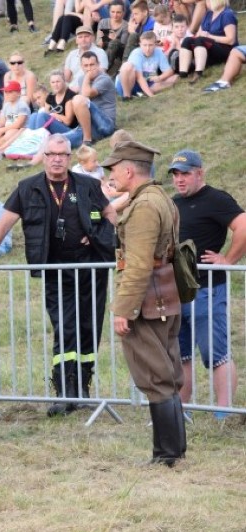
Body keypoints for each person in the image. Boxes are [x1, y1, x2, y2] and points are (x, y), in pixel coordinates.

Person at [0, 134, 117, 416]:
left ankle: (82, 389)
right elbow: (4, 225)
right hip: (54, 271)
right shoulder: (29, 188)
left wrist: (98, 235)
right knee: (65, 327)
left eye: (62, 154)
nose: (57, 159)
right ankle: (63, 392)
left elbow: (111, 215)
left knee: (89, 327)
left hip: (90, 270)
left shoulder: (87, 185)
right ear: (44, 156)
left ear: (70, 157)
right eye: (51, 154)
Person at [105, 139, 186, 466]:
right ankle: (173, 451)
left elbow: (138, 264)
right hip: (163, 296)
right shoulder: (159, 198)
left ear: (128, 170)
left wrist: (123, 310)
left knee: (156, 377)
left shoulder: (144, 207)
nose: (111, 175)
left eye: (113, 169)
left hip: (147, 300)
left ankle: (166, 455)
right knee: (166, 373)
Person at [169, 150, 246, 419]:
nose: (179, 179)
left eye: (185, 173)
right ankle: (181, 410)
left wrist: (229, 259)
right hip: (178, 290)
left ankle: (223, 413)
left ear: (200, 173)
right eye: (176, 174)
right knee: (181, 354)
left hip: (208, 289)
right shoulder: (173, 203)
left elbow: (243, 225)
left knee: (216, 352)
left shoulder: (216, 199)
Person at [178, 0, 238, 84]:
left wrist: (209, 36)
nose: (206, 3)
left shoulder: (227, 14)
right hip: (209, 46)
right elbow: (199, 33)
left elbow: (231, 40)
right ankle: (183, 73)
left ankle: (198, 73)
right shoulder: (208, 14)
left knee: (200, 40)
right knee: (187, 40)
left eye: (208, 1)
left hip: (226, 49)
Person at [70, 52, 118, 147]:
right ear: (81, 66)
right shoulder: (81, 79)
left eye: (92, 65)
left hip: (106, 125)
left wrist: (87, 77)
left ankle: (87, 140)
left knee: (78, 99)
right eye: (86, 66)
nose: (89, 69)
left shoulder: (104, 79)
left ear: (98, 64)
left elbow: (86, 94)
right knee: (58, 140)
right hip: (89, 126)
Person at [117, 31, 178, 99]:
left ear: (155, 44)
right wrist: (152, 96)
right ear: (140, 44)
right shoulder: (136, 53)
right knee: (127, 66)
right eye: (145, 45)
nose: (147, 48)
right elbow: (139, 78)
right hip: (131, 82)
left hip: (148, 80)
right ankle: (127, 96)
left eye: (150, 45)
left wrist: (160, 77)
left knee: (174, 77)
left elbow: (169, 71)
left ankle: (141, 94)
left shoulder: (159, 52)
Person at [26, 70, 79, 138]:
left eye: (58, 81)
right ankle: (31, 140)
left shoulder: (69, 95)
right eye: (53, 82)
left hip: (68, 130)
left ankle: (37, 141)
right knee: (34, 115)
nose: (55, 84)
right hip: (54, 126)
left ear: (64, 81)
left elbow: (68, 121)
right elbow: (46, 114)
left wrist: (54, 115)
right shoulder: (50, 97)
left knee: (42, 115)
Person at [63, 26, 110, 90]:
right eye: (80, 37)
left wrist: (81, 88)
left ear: (92, 38)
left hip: (91, 87)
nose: (83, 39)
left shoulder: (100, 53)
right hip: (72, 88)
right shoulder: (72, 54)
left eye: (86, 36)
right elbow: (66, 78)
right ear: (76, 40)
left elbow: (101, 75)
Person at [96, 1, 130, 75]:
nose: (115, 15)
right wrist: (107, 38)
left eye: (118, 12)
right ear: (109, 11)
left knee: (114, 43)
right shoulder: (103, 22)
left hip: (119, 52)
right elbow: (99, 43)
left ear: (123, 12)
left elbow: (122, 43)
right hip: (104, 51)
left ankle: (103, 71)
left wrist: (107, 38)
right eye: (113, 12)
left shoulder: (125, 25)